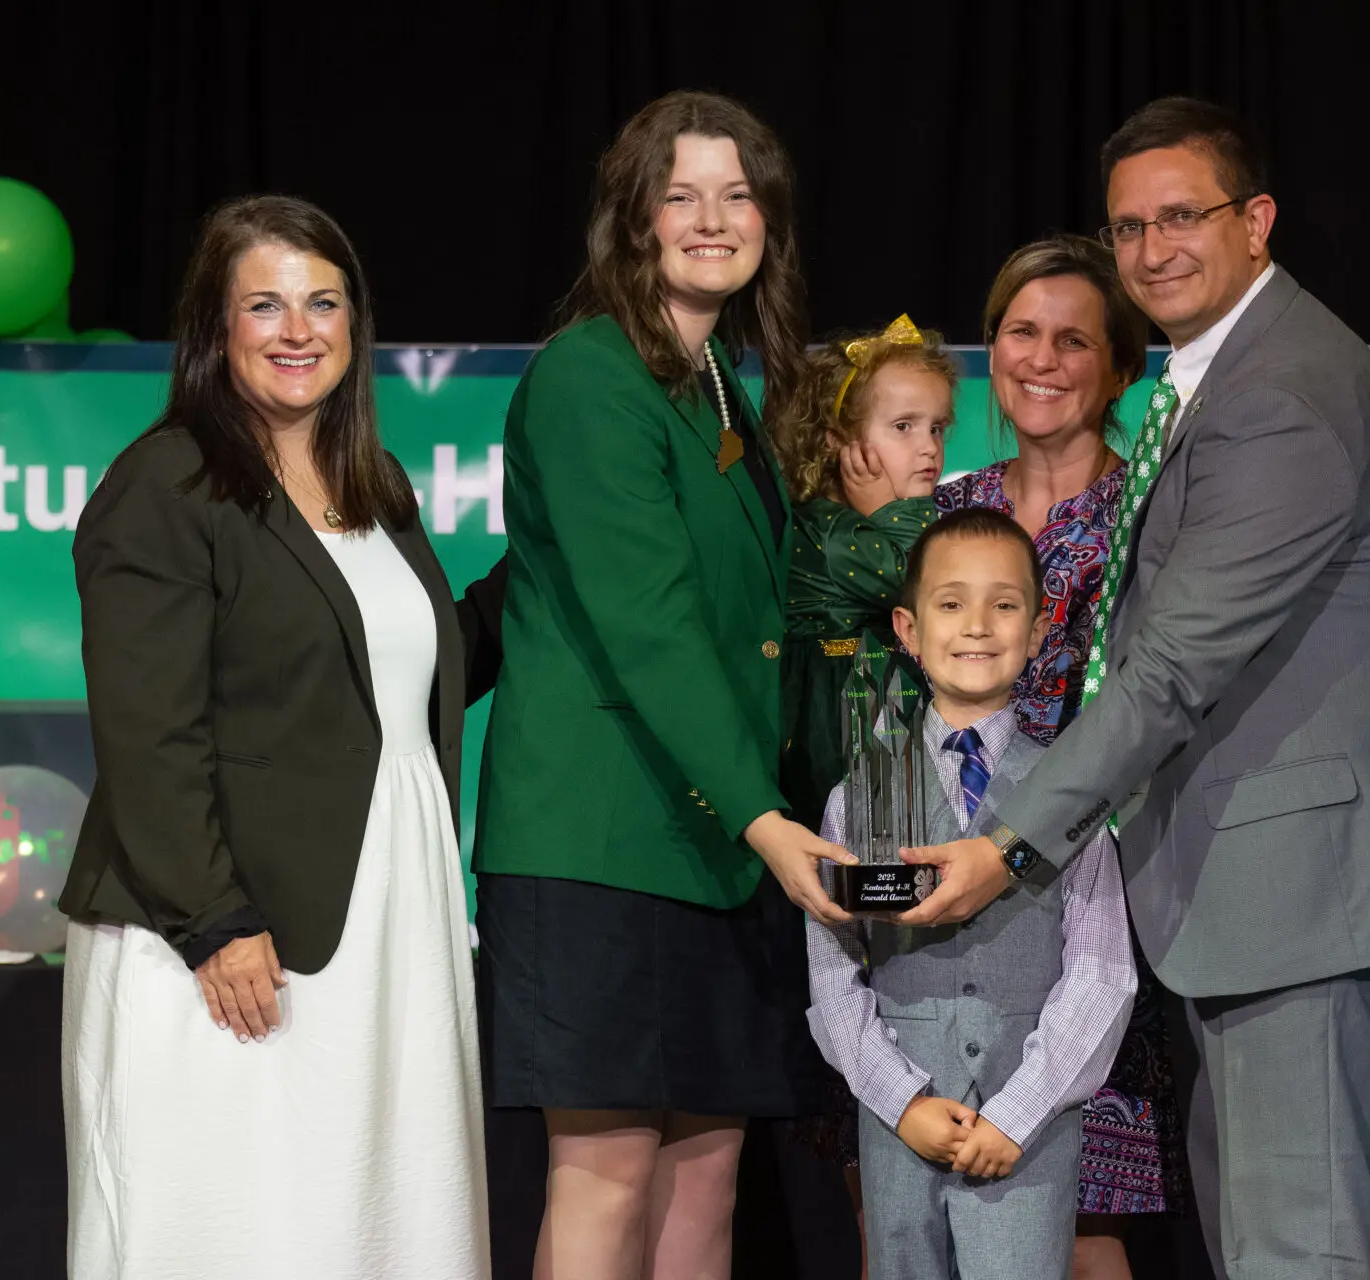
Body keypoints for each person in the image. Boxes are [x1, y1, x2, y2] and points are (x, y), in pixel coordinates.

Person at [900, 97, 1370, 1278]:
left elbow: (1174, 665)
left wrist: (1004, 844)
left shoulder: (1283, 391)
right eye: (1129, 226)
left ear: (1258, 220)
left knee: (1296, 1252)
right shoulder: (1225, 373)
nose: (1151, 249)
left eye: (1181, 216)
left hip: (1296, 900)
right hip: (1244, 902)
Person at [60, 194, 501, 1279]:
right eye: (265, 303)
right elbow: (148, 729)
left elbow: (399, 689)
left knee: (360, 1220)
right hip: (226, 936)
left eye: (323, 302)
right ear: (216, 329)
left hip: (387, 910)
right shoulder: (165, 481)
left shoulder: (374, 486)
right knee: (236, 1225)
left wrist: (559, 564)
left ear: (356, 325)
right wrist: (214, 920)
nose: (297, 329)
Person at [471, 91, 854, 1280]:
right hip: (602, 841)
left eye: (737, 194)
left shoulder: (725, 385)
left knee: (705, 1185)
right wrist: (765, 816)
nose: (711, 217)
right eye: (679, 193)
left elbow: (764, 627)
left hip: (720, 849)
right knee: (611, 1177)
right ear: (631, 219)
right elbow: (652, 625)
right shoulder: (592, 372)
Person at [935, 234, 1185, 1278]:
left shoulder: (1154, 520)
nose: (1042, 358)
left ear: (1122, 367)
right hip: (936, 925)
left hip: (1087, 915)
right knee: (914, 1212)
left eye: (1074, 339)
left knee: (1080, 1228)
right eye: (1020, 332)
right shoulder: (945, 510)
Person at [806, 508, 1137, 1280]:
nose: (977, 626)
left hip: (1029, 1132)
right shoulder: (857, 797)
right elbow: (831, 974)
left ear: (1037, 625)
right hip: (900, 1127)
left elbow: (1101, 971)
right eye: (951, 604)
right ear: (908, 629)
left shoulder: (1072, 791)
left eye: (1005, 604)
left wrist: (1019, 1113)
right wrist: (902, 1100)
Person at [775, 313, 954, 835]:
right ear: (836, 440)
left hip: (874, 699)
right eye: (904, 427)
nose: (928, 447)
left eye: (937, 428)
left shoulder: (865, 522)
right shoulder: (833, 532)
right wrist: (894, 511)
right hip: (837, 721)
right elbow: (918, 584)